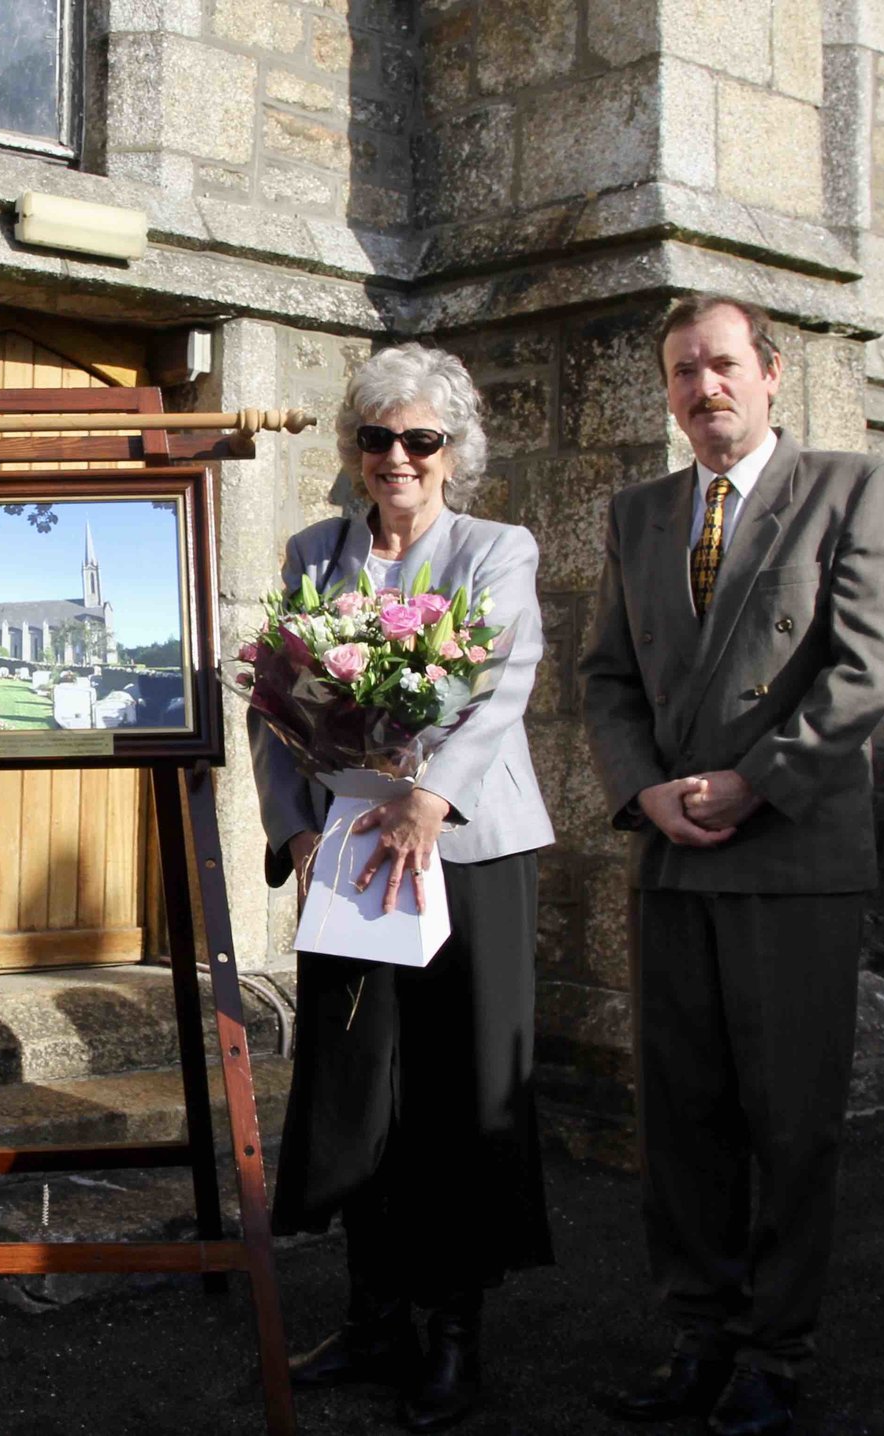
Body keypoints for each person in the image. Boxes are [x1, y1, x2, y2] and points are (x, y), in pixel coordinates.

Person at [581, 295, 884, 1436]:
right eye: (682, 371)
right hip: (674, 856)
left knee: (790, 1118)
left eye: (722, 365)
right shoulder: (638, 513)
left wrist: (756, 778)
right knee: (683, 1117)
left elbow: (866, 668)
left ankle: (780, 1347)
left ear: (770, 375)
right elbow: (608, 680)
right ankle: (702, 1333)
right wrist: (644, 789)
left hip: (791, 855)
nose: (702, 388)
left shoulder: (851, 489)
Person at [250, 343, 556, 1433]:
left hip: (465, 852)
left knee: (457, 1088)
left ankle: (453, 1329)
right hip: (347, 857)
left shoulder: (492, 548)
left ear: (453, 451)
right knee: (357, 1083)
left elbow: (502, 682)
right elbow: (274, 703)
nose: (397, 458)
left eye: (420, 439)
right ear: (355, 448)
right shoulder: (312, 551)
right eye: (378, 438)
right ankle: (374, 1311)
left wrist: (434, 798)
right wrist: (293, 831)